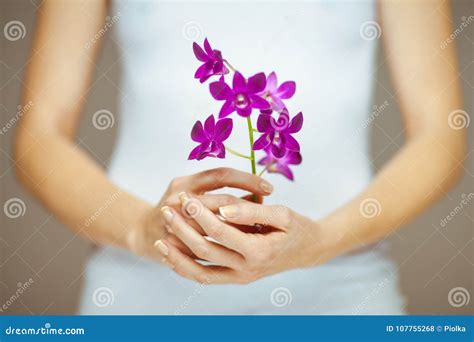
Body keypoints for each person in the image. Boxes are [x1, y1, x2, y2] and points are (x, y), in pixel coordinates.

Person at [15, 0, 465, 314]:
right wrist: (140, 230)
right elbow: (40, 137)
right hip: (138, 296)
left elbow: (441, 132)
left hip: (343, 292)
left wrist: (324, 239)